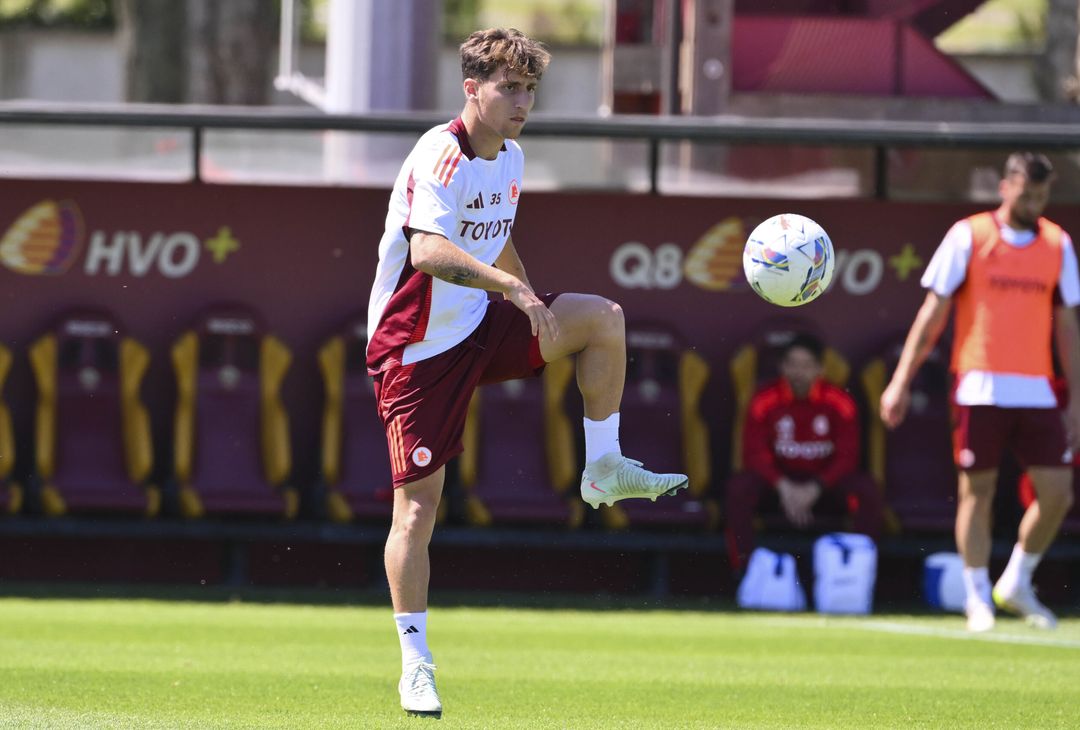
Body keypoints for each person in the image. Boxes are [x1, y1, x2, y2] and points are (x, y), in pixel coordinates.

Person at [365, 28, 688, 718]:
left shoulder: (510, 156)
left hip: (481, 324)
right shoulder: (440, 152)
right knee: (418, 510)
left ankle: (603, 466)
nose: (521, 102)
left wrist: (531, 298)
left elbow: (497, 232)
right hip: (415, 349)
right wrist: (510, 292)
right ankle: (415, 664)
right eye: (509, 87)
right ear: (471, 88)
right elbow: (428, 251)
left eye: (529, 89)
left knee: (603, 318)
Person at [880, 152, 1080, 633]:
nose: (1032, 202)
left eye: (1040, 194)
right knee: (978, 492)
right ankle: (975, 596)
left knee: (1057, 494)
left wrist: (1074, 396)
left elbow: (1067, 325)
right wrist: (901, 381)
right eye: (1025, 192)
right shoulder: (968, 235)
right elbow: (933, 313)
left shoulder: (1058, 243)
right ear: (1005, 187)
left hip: (1035, 389)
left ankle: (1016, 580)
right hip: (978, 383)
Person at [725, 332, 884, 573]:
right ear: (782, 366)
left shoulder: (839, 401)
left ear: (820, 368)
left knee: (866, 490)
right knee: (738, 489)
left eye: (807, 365)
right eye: (792, 364)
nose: (799, 372)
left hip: (824, 488)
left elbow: (847, 457)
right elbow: (754, 454)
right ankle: (744, 573)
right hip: (778, 489)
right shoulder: (764, 400)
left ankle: (860, 573)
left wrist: (815, 487)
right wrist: (784, 486)